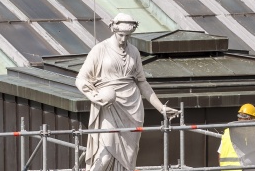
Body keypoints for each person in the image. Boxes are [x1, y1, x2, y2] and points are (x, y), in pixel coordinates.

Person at [75, 13, 178, 171]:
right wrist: (95, 96)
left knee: (129, 159)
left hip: (132, 108)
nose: (123, 39)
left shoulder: (134, 52)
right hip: (108, 106)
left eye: (127, 35)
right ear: (113, 30)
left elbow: (142, 82)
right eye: (120, 35)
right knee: (105, 154)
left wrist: (161, 108)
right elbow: (81, 79)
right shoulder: (100, 50)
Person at [218, 104, 255, 169]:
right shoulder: (247, 133)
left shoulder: (227, 131)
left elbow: (220, 154)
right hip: (240, 169)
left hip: (225, 168)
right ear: (250, 118)